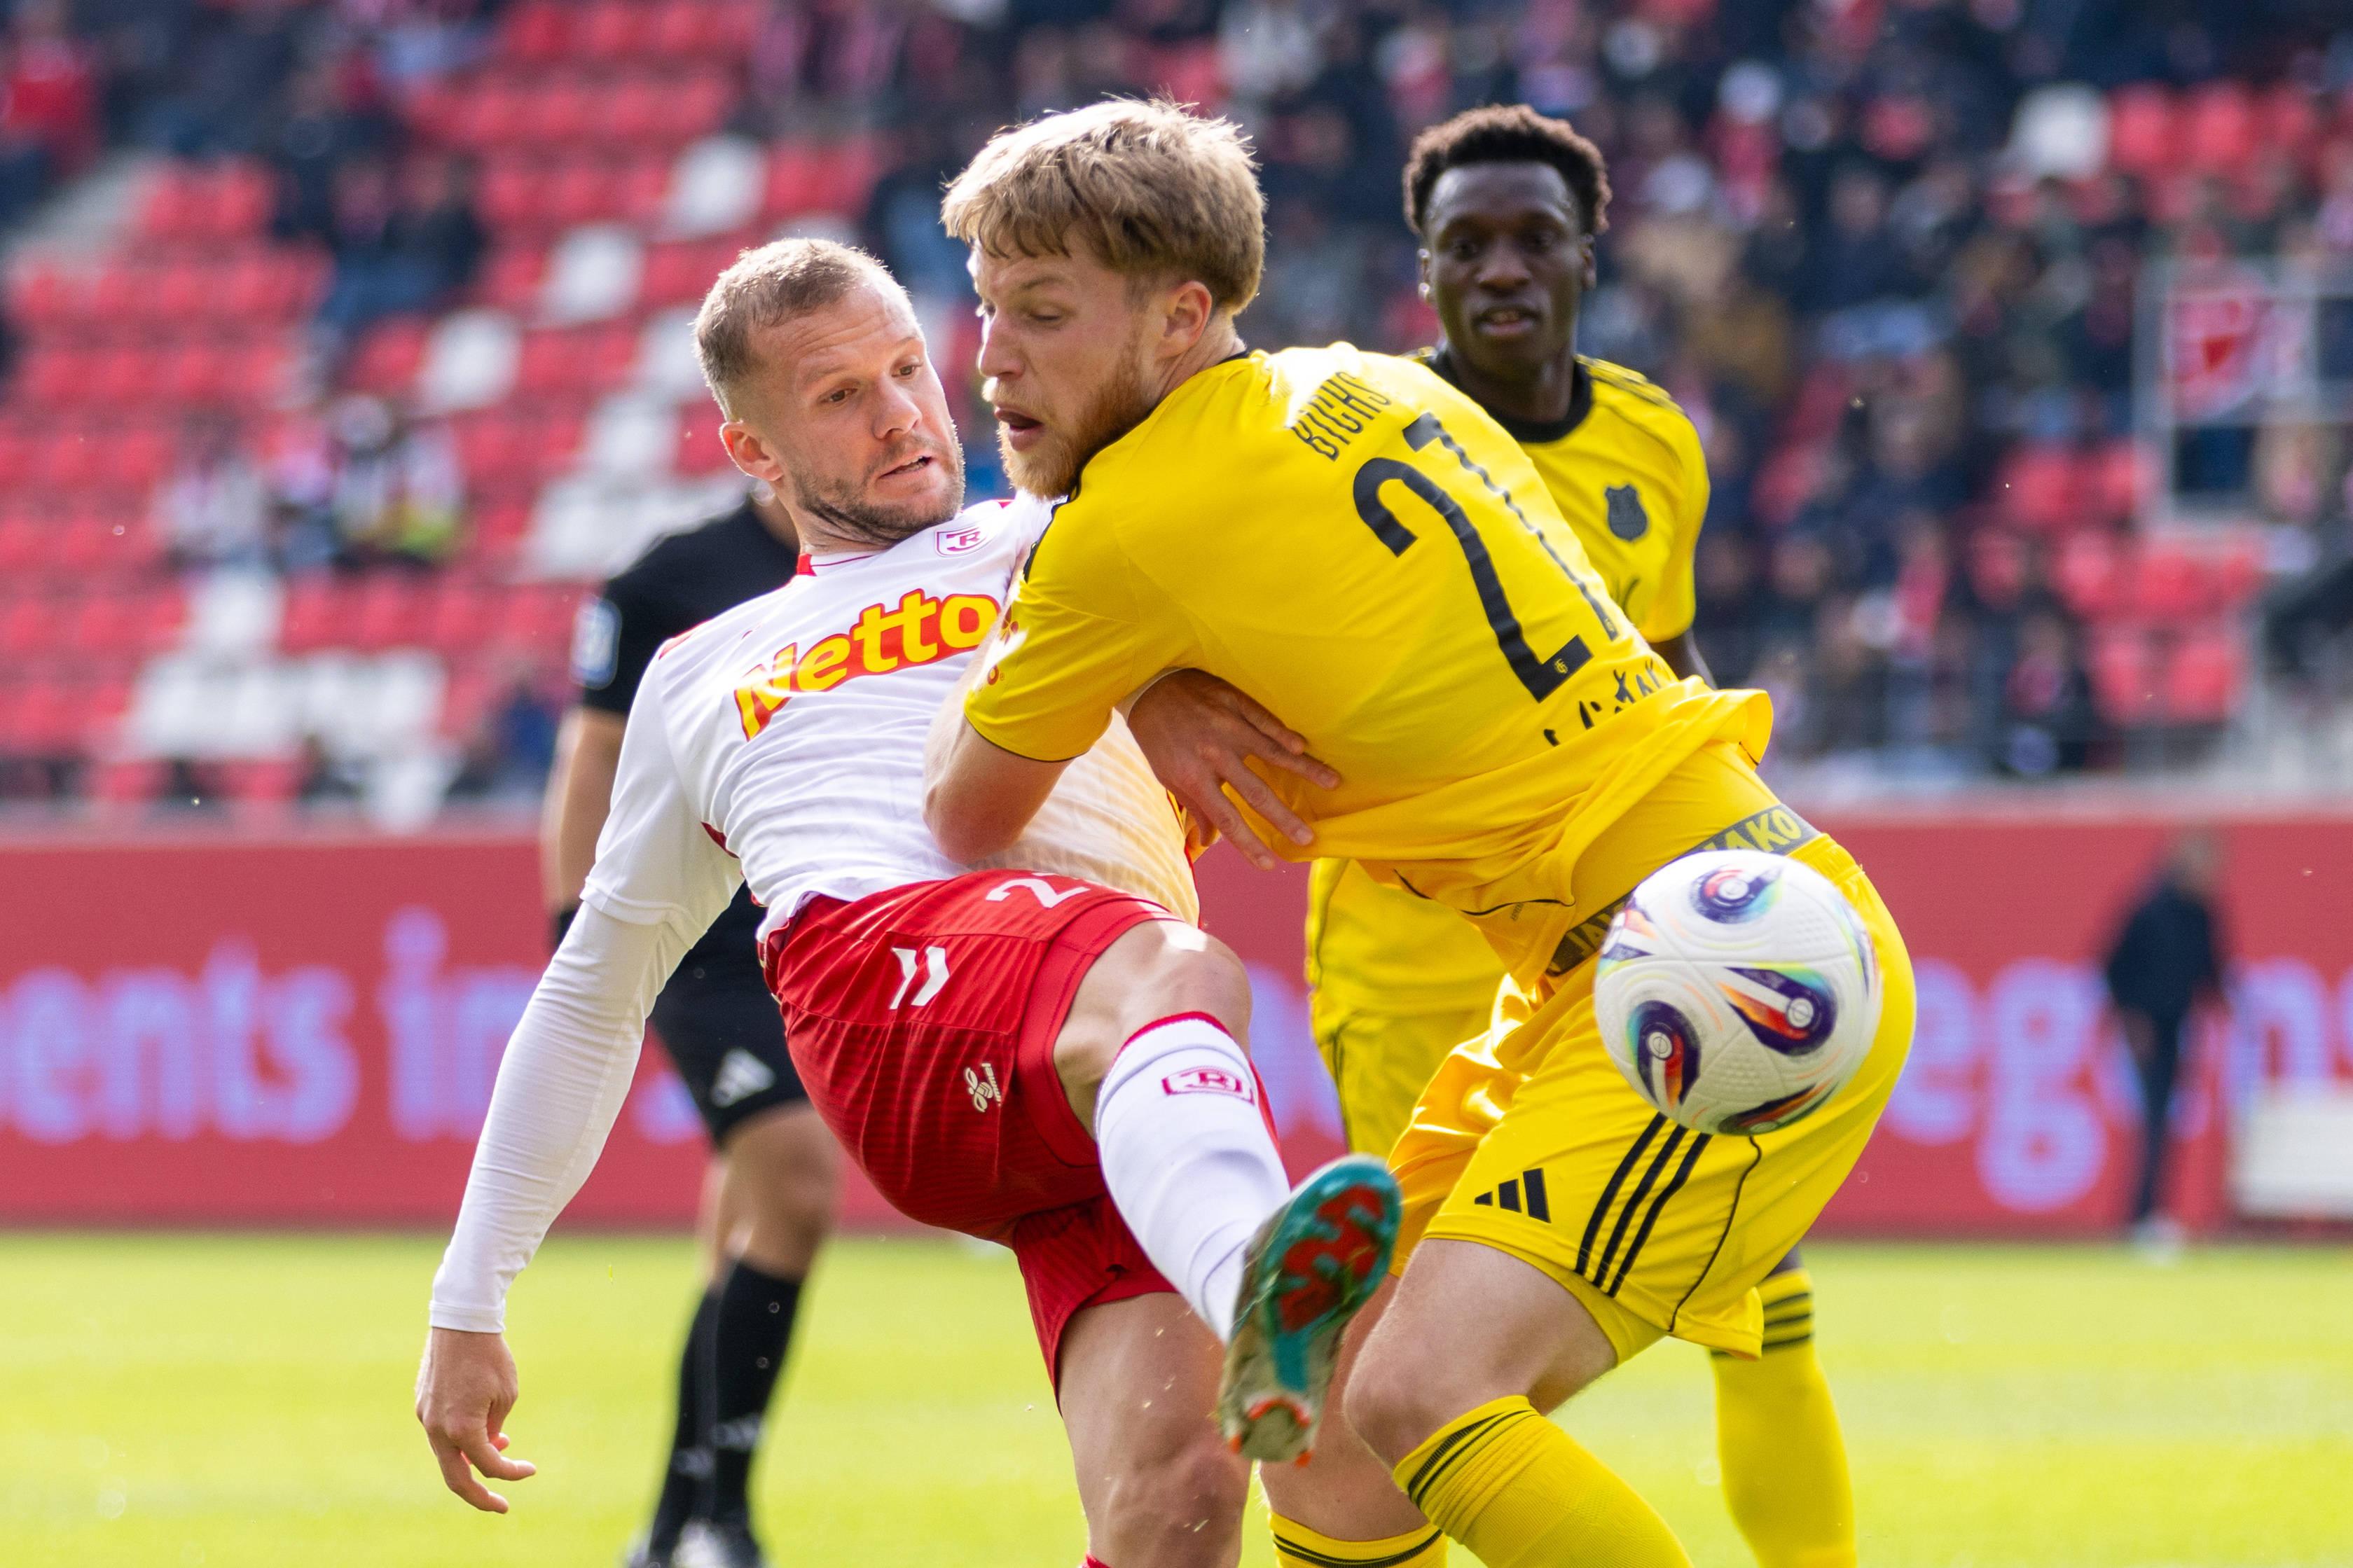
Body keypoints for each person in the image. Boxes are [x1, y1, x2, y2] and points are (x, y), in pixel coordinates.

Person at [923, 100, 1915, 1568]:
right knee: (1324, 1444)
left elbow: (963, 815)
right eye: (987, 307)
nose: (991, 357)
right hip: (1682, 916)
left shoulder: (1123, 532)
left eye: (1043, 313)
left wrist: (1123, 670)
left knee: (1427, 1392)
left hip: (1693, 962)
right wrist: (1140, 670)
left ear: (1180, 314)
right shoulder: (1376, 384)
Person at [415, 237, 1400, 1568]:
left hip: (1091, 1078)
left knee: (1175, 1499)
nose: (898, 413)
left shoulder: (1063, 531)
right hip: (887, 989)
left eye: (904, 369)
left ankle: (1252, 1291)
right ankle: (1262, 1288)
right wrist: (468, 1295)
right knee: (1183, 971)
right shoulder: (703, 669)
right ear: (752, 451)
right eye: (837, 396)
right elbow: (594, 990)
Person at [1288, 104, 1857, 1568]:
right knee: (1398, 1369)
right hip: (1417, 963)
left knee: (1765, 1303)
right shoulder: (1350, 441)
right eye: (1464, 243)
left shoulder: (1651, 440)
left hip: (1630, 946)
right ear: (1421, 269)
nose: (1500, 268)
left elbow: (1664, 672)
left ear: (1586, 258)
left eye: (1531, 238)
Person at [544, 470, 818, 1567]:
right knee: (795, 1181)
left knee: (743, 1228)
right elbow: (593, 754)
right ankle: (727, 1517)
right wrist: (577, 938)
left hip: (823, 923)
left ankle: (673, 1523)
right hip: (699, 940)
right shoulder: (669, 579)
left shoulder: (899, 560)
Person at [2102, 830, 2228, 1253]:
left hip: (2177, 1027)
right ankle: (2142, 1217)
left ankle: (2153, 1213)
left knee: (2167, 1122)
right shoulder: (2151, 909)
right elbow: (2114, 968)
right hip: (2145, 1032)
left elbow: (2210, 965)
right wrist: (2131, 1021)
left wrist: (2223, 999)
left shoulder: (2202, 912)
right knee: (2154, 1122)